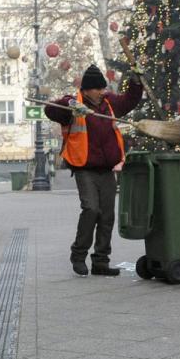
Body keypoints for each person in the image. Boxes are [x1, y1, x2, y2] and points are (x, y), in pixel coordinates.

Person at [45, 65, 144, 277]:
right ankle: (78, 255)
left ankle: (101, 262)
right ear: (87, 90)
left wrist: (136, 81)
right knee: (91, 210)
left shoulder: (110, 104)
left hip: (107, 169)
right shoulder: (74, 105)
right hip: (84, 168)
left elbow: (130, 100)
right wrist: (71, 105)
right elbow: (50, 109)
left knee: (107, 216)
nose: (101, 91)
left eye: (102, 88)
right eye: (97, 88)